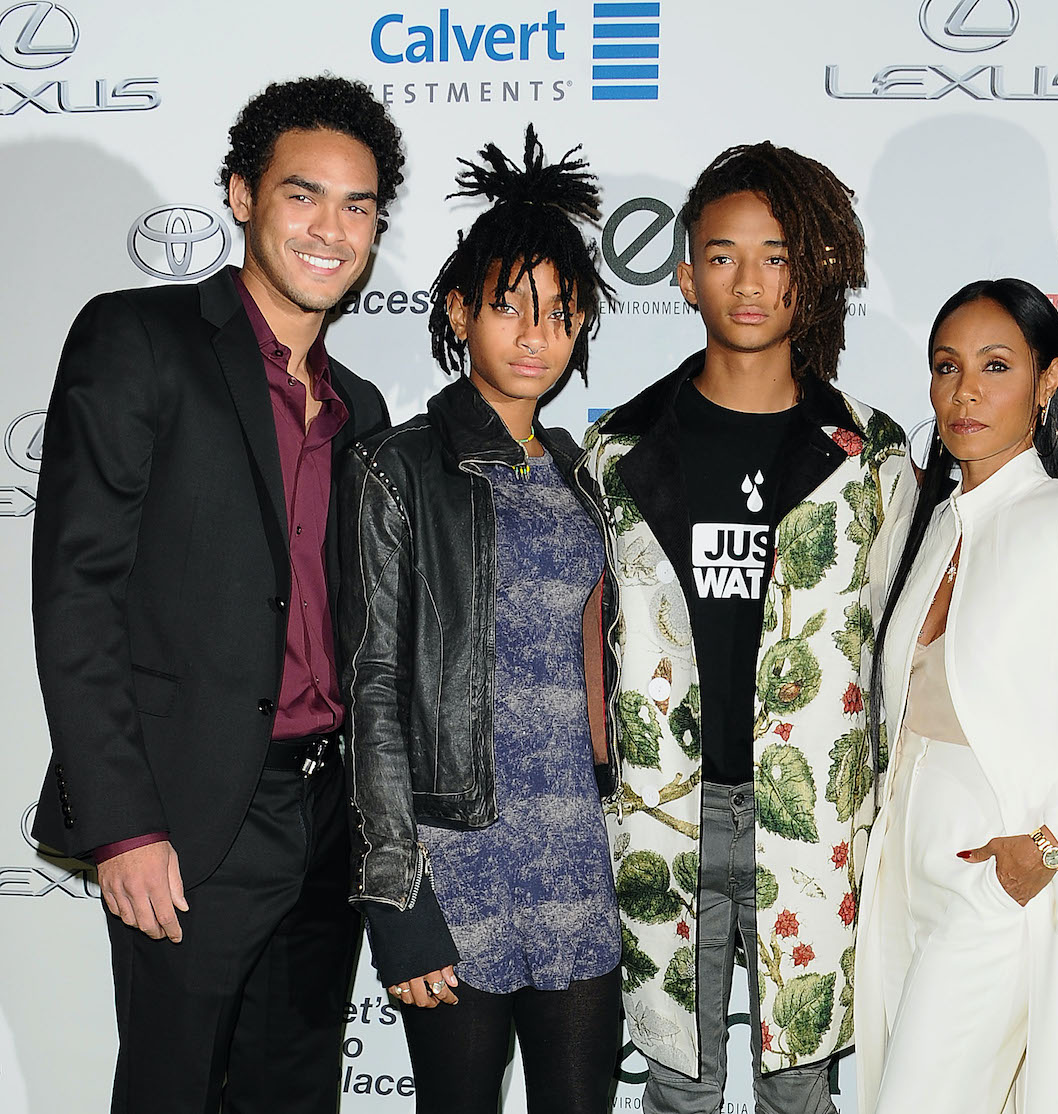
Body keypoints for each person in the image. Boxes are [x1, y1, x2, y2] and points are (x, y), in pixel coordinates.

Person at [29, 76, 401, 1113]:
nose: (332, 228)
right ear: (241, 194)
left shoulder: (360, 408)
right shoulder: (138, 340)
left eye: (359, 205)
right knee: (172, 1092)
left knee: (294, 1093)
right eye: (303, 194)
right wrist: (123, 824)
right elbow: (76, 594)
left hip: (329, 818)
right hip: (190, 819)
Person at [580, 142, 914, 1114]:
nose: (750, 280)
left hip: (814, 823)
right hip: (661, 817)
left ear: (808, 275)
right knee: (677, 1089)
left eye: (776, 255)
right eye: (724, 255)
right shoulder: (617, 449)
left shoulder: (871, 456)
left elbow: (906, 649)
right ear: (685, 276)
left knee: (800, 1087)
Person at [339, 127, 622, 1114]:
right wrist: (398, 905)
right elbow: (371, 688)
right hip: (453, 858)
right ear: (460, 311)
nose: (535, 333)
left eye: (559, 310)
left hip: (577, 850)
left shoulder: (581, 474)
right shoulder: (397, 467)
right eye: (509, 307)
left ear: (583, 319)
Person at [852, 279, 1058, 1114]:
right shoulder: (921, 527)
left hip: (999, 867)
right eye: (946, 367)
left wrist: (1047, 850)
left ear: (1048, 380)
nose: (965, 391)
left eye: (996, 365)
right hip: (900, 865)